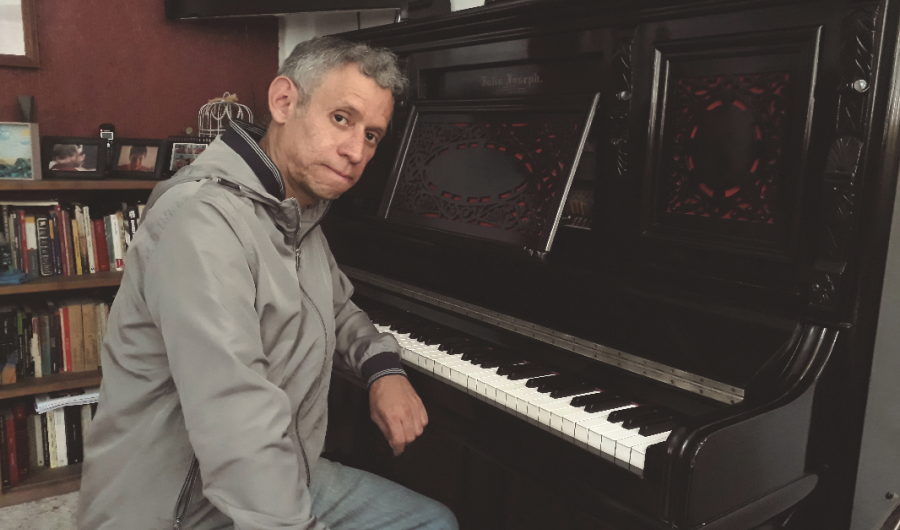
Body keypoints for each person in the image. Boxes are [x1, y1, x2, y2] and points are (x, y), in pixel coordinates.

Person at [77, 36, 458, 530]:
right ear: (284, 101)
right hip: (180, 506)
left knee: (431, 521)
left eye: (372, 135)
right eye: (341, 118)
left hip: (283, 471)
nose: (354, 151)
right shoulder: (203, 221)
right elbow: (237, 423)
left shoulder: (297, 214)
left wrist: (384, 369)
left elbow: (338, 309)